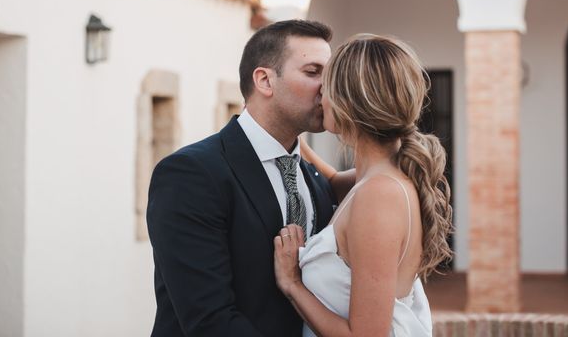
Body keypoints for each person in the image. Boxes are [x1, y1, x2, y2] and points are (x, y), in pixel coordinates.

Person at [146, 20, 340, 337]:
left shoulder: (316, 179)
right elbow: (209, 320)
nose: (328, 88)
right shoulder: (191, 174)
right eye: (312, 72)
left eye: (329, 75)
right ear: (264, 80)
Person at [274, 34, 454, 337]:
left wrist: (292, 284)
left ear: (348, 101)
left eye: (326, 85)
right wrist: (284, 132)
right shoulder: (375, 178)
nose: (320, 96)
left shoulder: (379, 194)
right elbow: (331, 180)